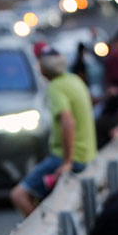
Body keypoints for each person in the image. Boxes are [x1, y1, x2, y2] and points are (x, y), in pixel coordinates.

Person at [9, 51, 97, 217]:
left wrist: (67, 162)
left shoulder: (55, 87)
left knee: (19, 195)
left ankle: (43, 232)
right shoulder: (74, 80)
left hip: (70, 158)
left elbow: (67, 121)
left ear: (42, 69)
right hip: (87, 155)